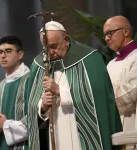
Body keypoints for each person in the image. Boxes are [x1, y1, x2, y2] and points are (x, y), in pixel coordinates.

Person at [24, 21, 123, 150]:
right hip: (55, 134)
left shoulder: (89, 59)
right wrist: (42, 107)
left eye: (54, 46)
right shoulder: (39, 65)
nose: (50, 52)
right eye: (45, 48)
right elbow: (32, 108)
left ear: (65, 40)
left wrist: (59, 91)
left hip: (80, 135)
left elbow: (97, 98)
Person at [0, 35, 30, 150]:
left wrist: (5, 125)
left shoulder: (31, 80)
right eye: (0, 52)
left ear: (20, 54)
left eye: (8, 51)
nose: (3, 55)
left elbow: (36, 118)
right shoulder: (0, 87)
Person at [104, 15, 137, 150]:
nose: (107, 38)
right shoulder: (110, 64)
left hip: (132, 124)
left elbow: (130, 95)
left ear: (126, 32)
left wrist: (105, 99)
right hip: (113, 129)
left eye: (110, 33)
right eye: (105, 35)